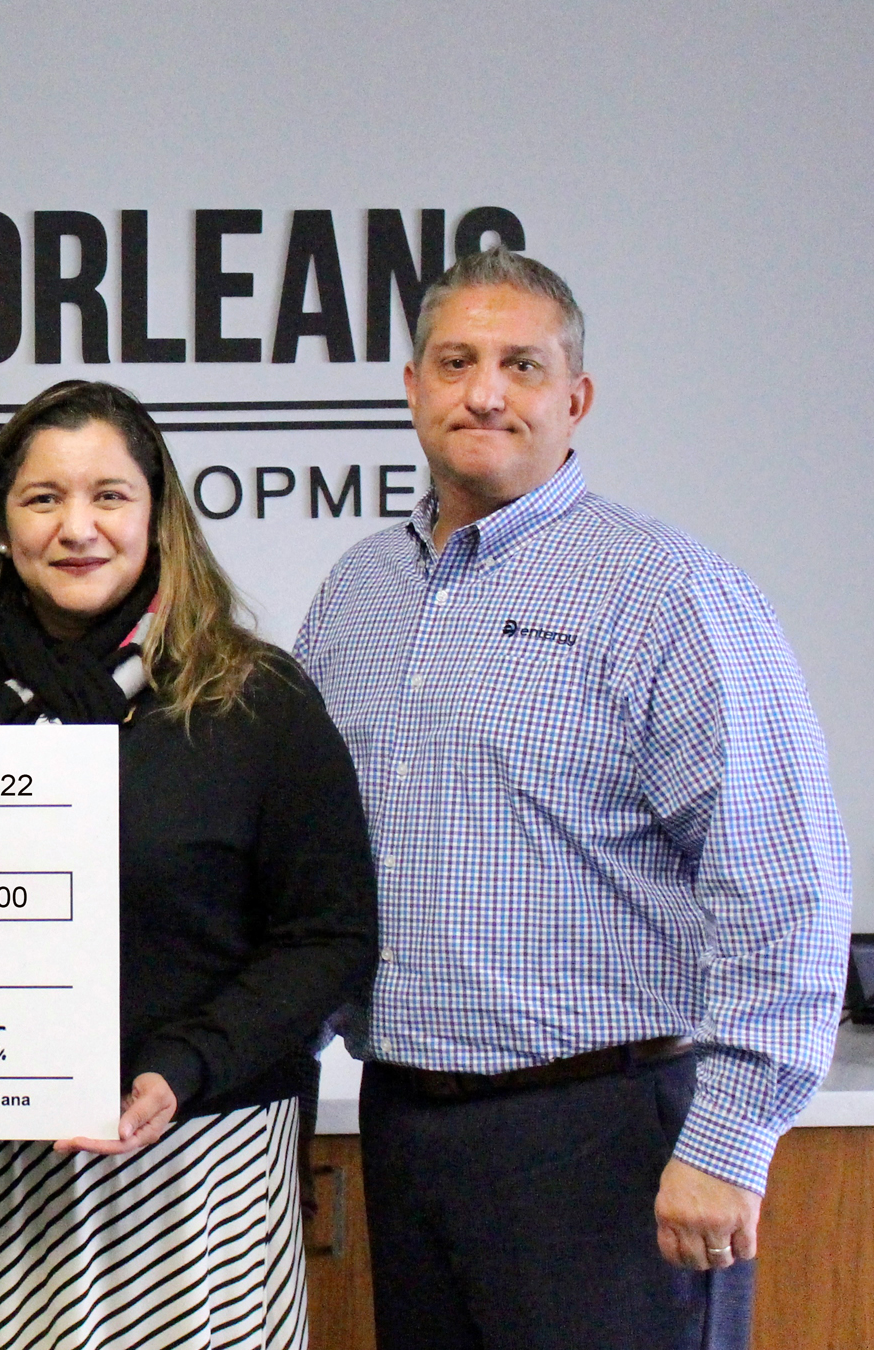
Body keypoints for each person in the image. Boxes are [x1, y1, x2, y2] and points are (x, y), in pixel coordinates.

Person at [294, 247, 850, 1348]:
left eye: (522, 365)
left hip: (610, 1141)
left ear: (576, 397)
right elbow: (311, 859)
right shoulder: (357, 592)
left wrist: (728, 1142)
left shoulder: (669, 589)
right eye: (454, 361)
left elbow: (786, 883)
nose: (485, 392)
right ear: (412, 386)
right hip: (410, 1127)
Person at [0, 379, 378, 1349]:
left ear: (158, 516)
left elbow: (330, 939)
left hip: (205, 1170)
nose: (78, 526)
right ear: (2, 524)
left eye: (109, 495)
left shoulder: (255, 700)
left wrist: (182, 1067)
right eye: (43, 498)